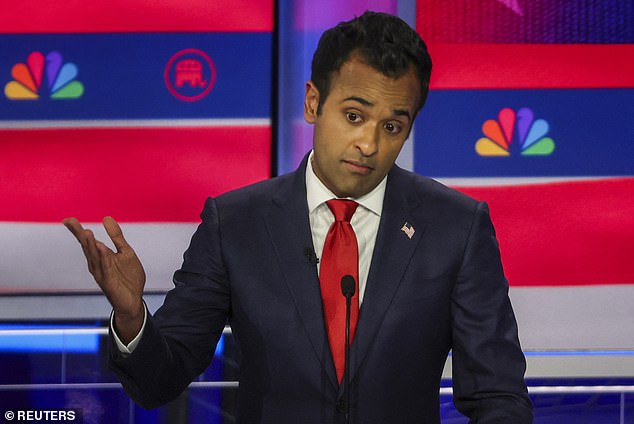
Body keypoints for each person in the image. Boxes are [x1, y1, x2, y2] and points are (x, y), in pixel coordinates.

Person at [64, 11, 533, 423]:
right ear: (313, 103)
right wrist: (131, 319)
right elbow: (159, 382)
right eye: (354, 116)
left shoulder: (456, 226)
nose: (369, 144)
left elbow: (499, 396)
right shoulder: (236, 224)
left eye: (392, 126)